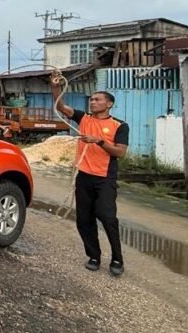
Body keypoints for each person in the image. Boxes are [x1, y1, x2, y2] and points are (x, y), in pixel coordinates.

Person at [51, 72, 129, 276]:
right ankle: (94, 256)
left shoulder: (119, 125)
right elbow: (61, 107)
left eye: (97, 99)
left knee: (107, 217)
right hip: (83, 176)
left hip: (104, 179)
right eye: (91, 99)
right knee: (84, 219)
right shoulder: (83, 118)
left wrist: (100, 141)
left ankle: (117, 258)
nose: (93, 102)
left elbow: (120, 152)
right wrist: (55, 87)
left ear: (109, 104)